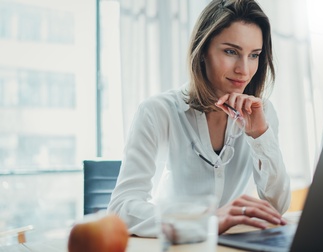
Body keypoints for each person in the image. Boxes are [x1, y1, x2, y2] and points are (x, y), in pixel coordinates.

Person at [107, 0, 291, 237]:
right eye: (231, 51)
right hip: (178, 245)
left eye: (254, 55)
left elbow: (277, 207)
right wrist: (204, 221)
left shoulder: (261, 113)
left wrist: (260, 137)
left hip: (231, 245)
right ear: (203, 50)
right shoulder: (158, 111)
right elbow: (121, 208)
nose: (244, 70)